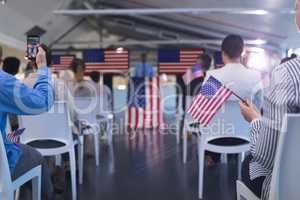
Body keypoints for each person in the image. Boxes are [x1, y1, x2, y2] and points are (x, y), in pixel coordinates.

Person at [239, 1, 300, 199]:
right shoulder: (254, 78)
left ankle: (210, 156)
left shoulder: (287, 74)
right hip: (249, 132)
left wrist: (255, 121)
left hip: (289, 188)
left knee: (249, 162)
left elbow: (265, 158)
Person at [0, 44, 54, 199]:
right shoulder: (5, 83)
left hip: (22, 133)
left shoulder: (19, 82)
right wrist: (43, 68)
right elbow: (44, 101)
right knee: (36, 157)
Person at [206, 34, 262, 104]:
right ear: (241, 52)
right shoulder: (255, 76)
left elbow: (205, 104)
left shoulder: (212, 75)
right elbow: (259, 105)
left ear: (223, 53)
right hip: (245, 115)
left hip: (220, 114)